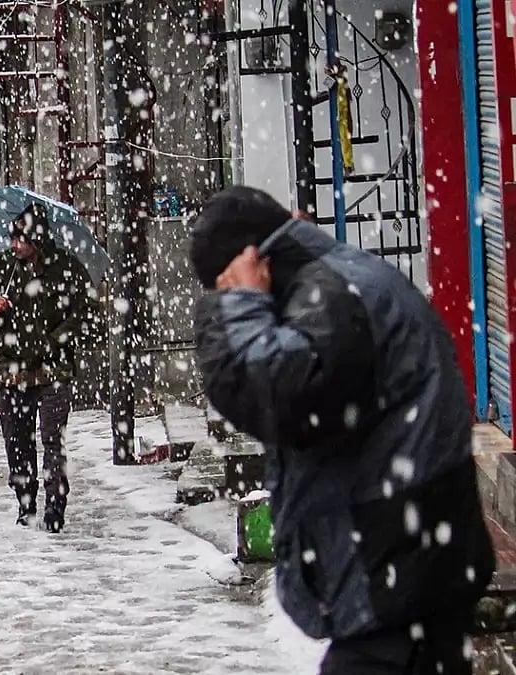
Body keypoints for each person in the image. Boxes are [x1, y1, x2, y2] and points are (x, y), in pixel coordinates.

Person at [188, 186, 495, 675]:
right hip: (408, 567)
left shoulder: (328, 294)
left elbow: (271, 392)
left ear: (253, 262)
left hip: (397, 575)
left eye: (223, 286)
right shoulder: (336, 281)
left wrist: (243, 303)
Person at [0, 203, 94, 532]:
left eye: (20, 240)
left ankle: (55, 506)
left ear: (36, 240)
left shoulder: (66, 267)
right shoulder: (5, 266)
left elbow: (86, 313)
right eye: (11, 240)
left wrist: (55, 341)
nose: (14, 246)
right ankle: (25, 501)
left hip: (55, 371)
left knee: (53, 440)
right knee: (17, 439)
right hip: (12, 371)